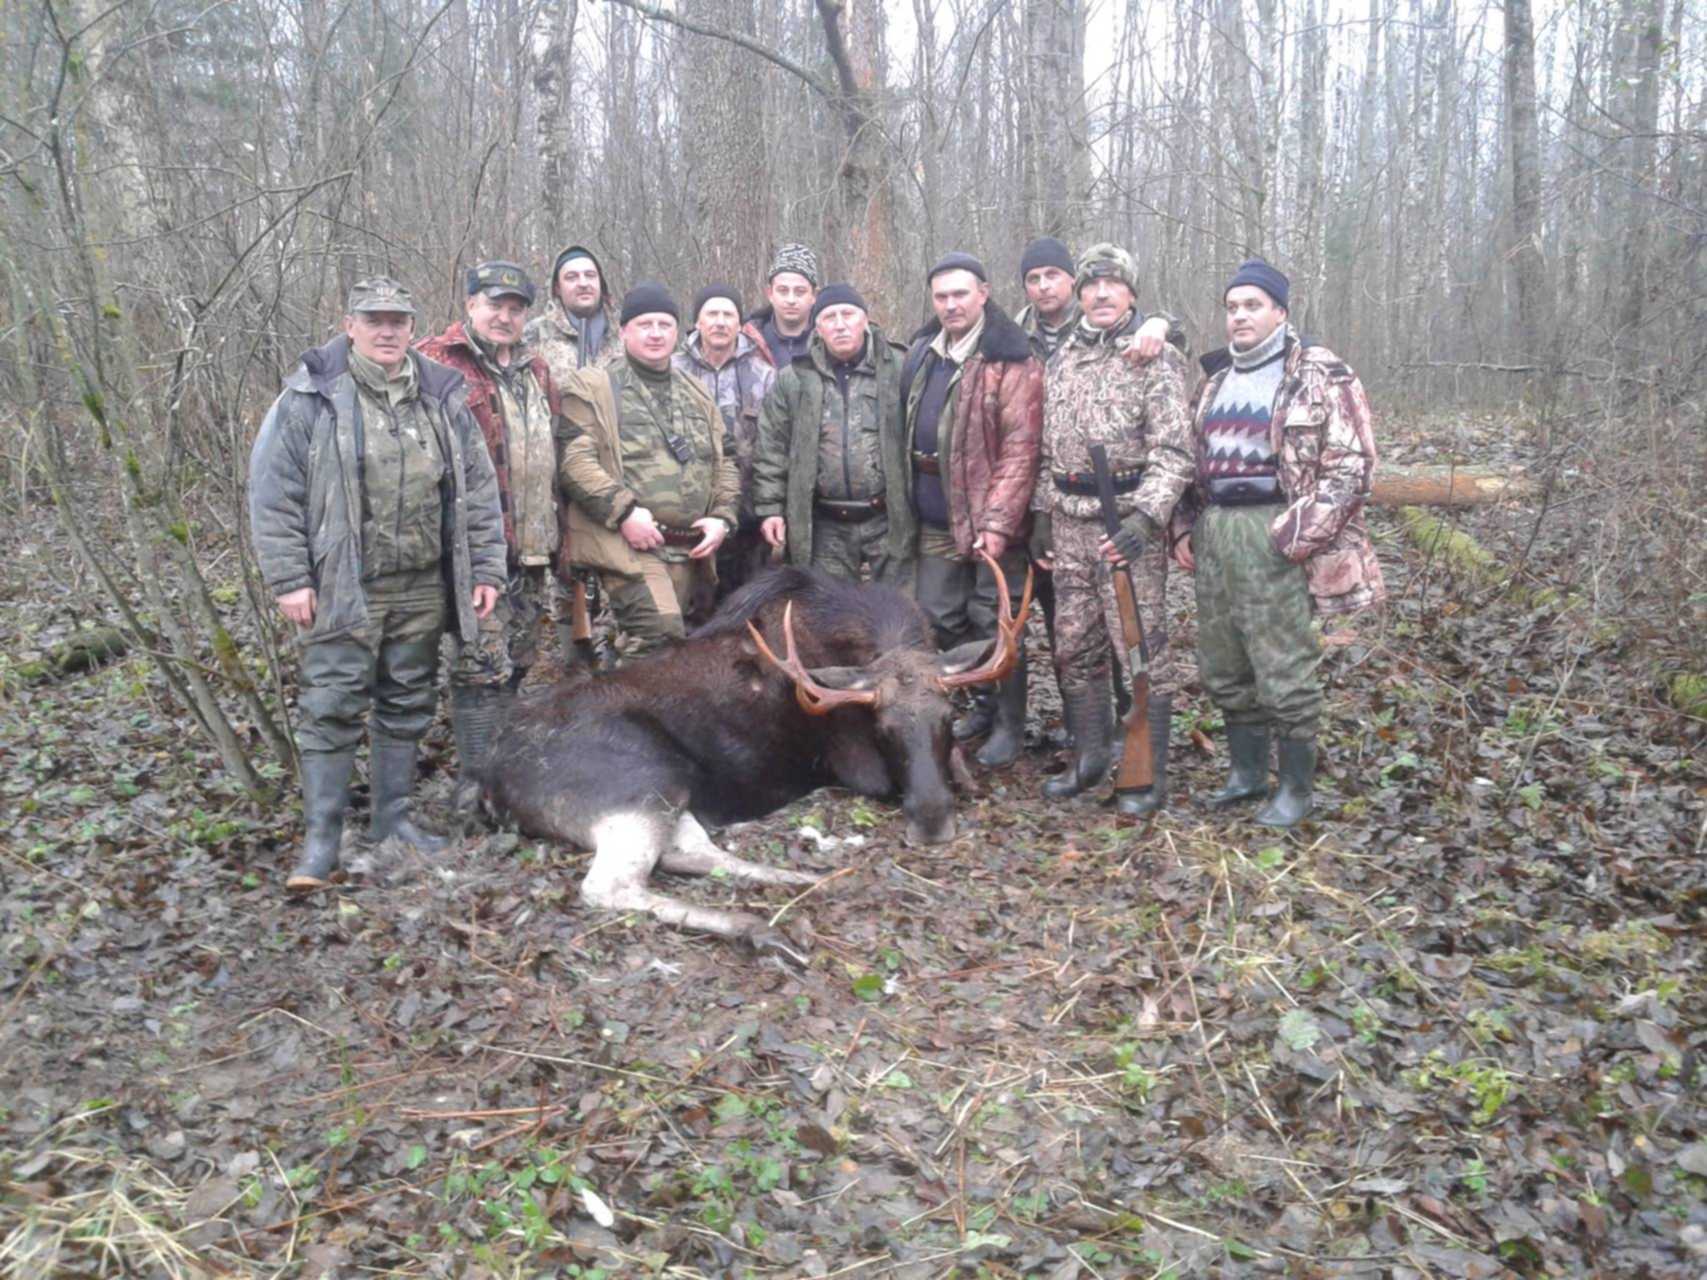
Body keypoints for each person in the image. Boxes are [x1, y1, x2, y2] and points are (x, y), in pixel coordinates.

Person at [249, 277, 506, 889]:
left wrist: (488, 566)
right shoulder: (311, 396)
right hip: (344, 584)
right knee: (331, 705)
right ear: (350, 326)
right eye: (374, 320)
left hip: (421, 582)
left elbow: (477, 489)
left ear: (414, 328)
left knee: (408, 700)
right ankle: (321, 842)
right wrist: (290, 577)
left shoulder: (442, 396)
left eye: (398, 320)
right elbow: (273, 493)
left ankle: (392, 821)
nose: (387, 331)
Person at [1170, 259, 1384, 827]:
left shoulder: (1319, 373)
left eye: (1253, 306)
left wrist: (1294, 535)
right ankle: (1245, 774)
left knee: (1283, 664)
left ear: (1280, 312)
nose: (1239, 316)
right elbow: (1192, 466)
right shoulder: (1215, 380)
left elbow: (1353, 467)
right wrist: (1185, 528)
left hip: (1275, 529)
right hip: (1218, 531)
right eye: (1232, 307)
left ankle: (1294, 790)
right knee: (1223, 661)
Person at [1031, 244, 1193, 814]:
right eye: (1091, 285)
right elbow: (1044, 447)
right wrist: (1041, 517)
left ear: (1131, 293)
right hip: (1068, 523)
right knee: (1073, 644)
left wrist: (1146, 518)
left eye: (1112, 285)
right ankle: (1090, 759)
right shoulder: (1062, 359)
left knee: (1140, 649)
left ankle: (1145, 773)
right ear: (1079, 295)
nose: (1100, 295)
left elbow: (1175, 451)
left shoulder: (1156, 356)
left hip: (1124, 522)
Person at [415, 261, 566, 807]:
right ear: (470, 304)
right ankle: (475, 785)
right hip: (475, 549)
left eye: (515, 308)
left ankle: (500, 767)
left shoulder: (536, 371)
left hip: (533, 545)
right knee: (479, 663)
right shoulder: (435, 363)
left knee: (519, 657)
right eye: (494, 305)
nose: (504, 317)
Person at [900, 252, 1042, 767]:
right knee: (941, 618)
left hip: (989, 518)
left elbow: (1022, 447)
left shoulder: (1010, 356)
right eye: (941, 296)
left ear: (984, 293)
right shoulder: (922, 352)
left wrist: (999, 522)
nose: (951, 304)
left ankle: (1009, 725)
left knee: (993, 622)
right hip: (935, 513)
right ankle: (980, 706)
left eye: (960, 294)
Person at [558, 283, 739, 657]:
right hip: (627, 545)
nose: (655, 333)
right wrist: (624, 512)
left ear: (678, 332)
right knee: (659, 636)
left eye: (664, 324)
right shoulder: (593, 386)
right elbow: (575, 461)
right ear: (624, 331)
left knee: (676, 654)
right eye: (644, 324)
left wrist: (722, 517)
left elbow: (728, 461)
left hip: (689, 553)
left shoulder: (697, 392)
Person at [752, 284, 915, 585]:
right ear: (818, 327)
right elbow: (771, 447)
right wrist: (771, 509)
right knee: (831, 619)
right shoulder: (795, 378)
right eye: (829, 317)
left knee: (898, 616)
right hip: (826, 526)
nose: (840, 324)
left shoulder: (900, 367)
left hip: (889, 520)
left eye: (848, 314)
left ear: (865, 320)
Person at [674, 284, 777, 601]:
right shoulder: (672, 371)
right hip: (686, 518)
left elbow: (776, 449)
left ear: (739, 322)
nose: (720, 322)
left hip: (748, 522)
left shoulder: (765, 376)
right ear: (698, 322)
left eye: (728, 314)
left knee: (745, 611)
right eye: (712, 314)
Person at [525, 243, 622, 375]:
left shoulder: (625, 331)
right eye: (572, 277)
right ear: (557, 288)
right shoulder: (535, 334)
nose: (583, 283)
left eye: (590, 275)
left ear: (601, 282)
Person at [741, 244, 820, 368]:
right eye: (783, 291)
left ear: (814, 295)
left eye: (800, 291)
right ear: (770, 293)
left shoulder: (829, 340)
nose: (791, 300)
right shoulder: (747, 340)